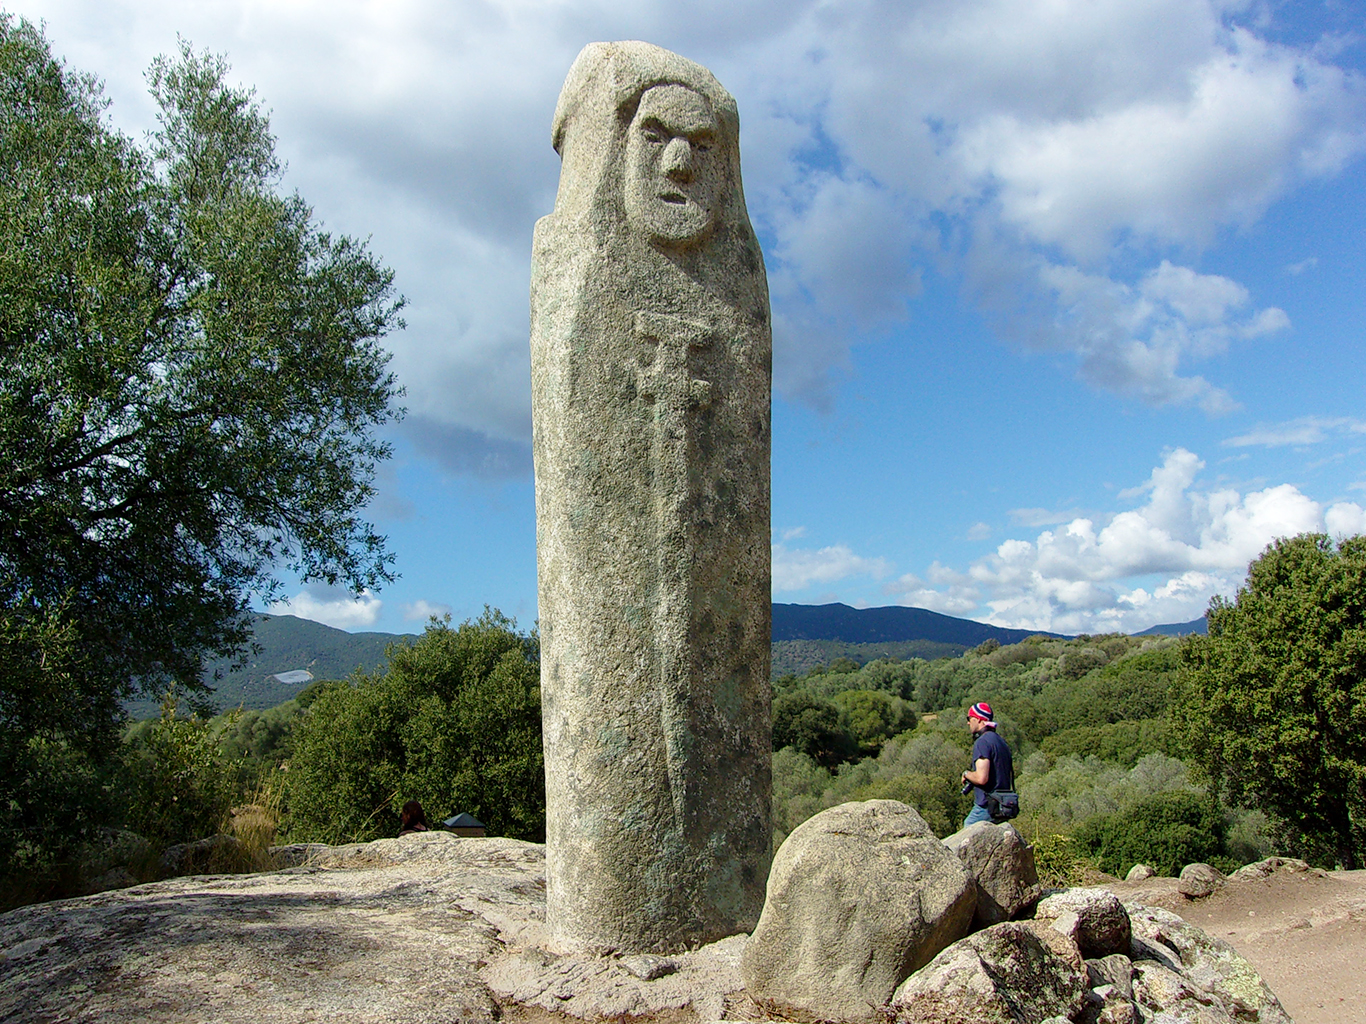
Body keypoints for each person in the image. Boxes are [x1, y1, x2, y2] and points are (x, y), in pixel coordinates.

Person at [961, 701, 1014, 828]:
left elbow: (981, 778)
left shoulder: (982, 742)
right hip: (1003, 805)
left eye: (970, 718)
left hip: (987, 805)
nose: (968, 722)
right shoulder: (1000, 741)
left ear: (979, 720)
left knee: (968, 829)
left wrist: (966, 774)